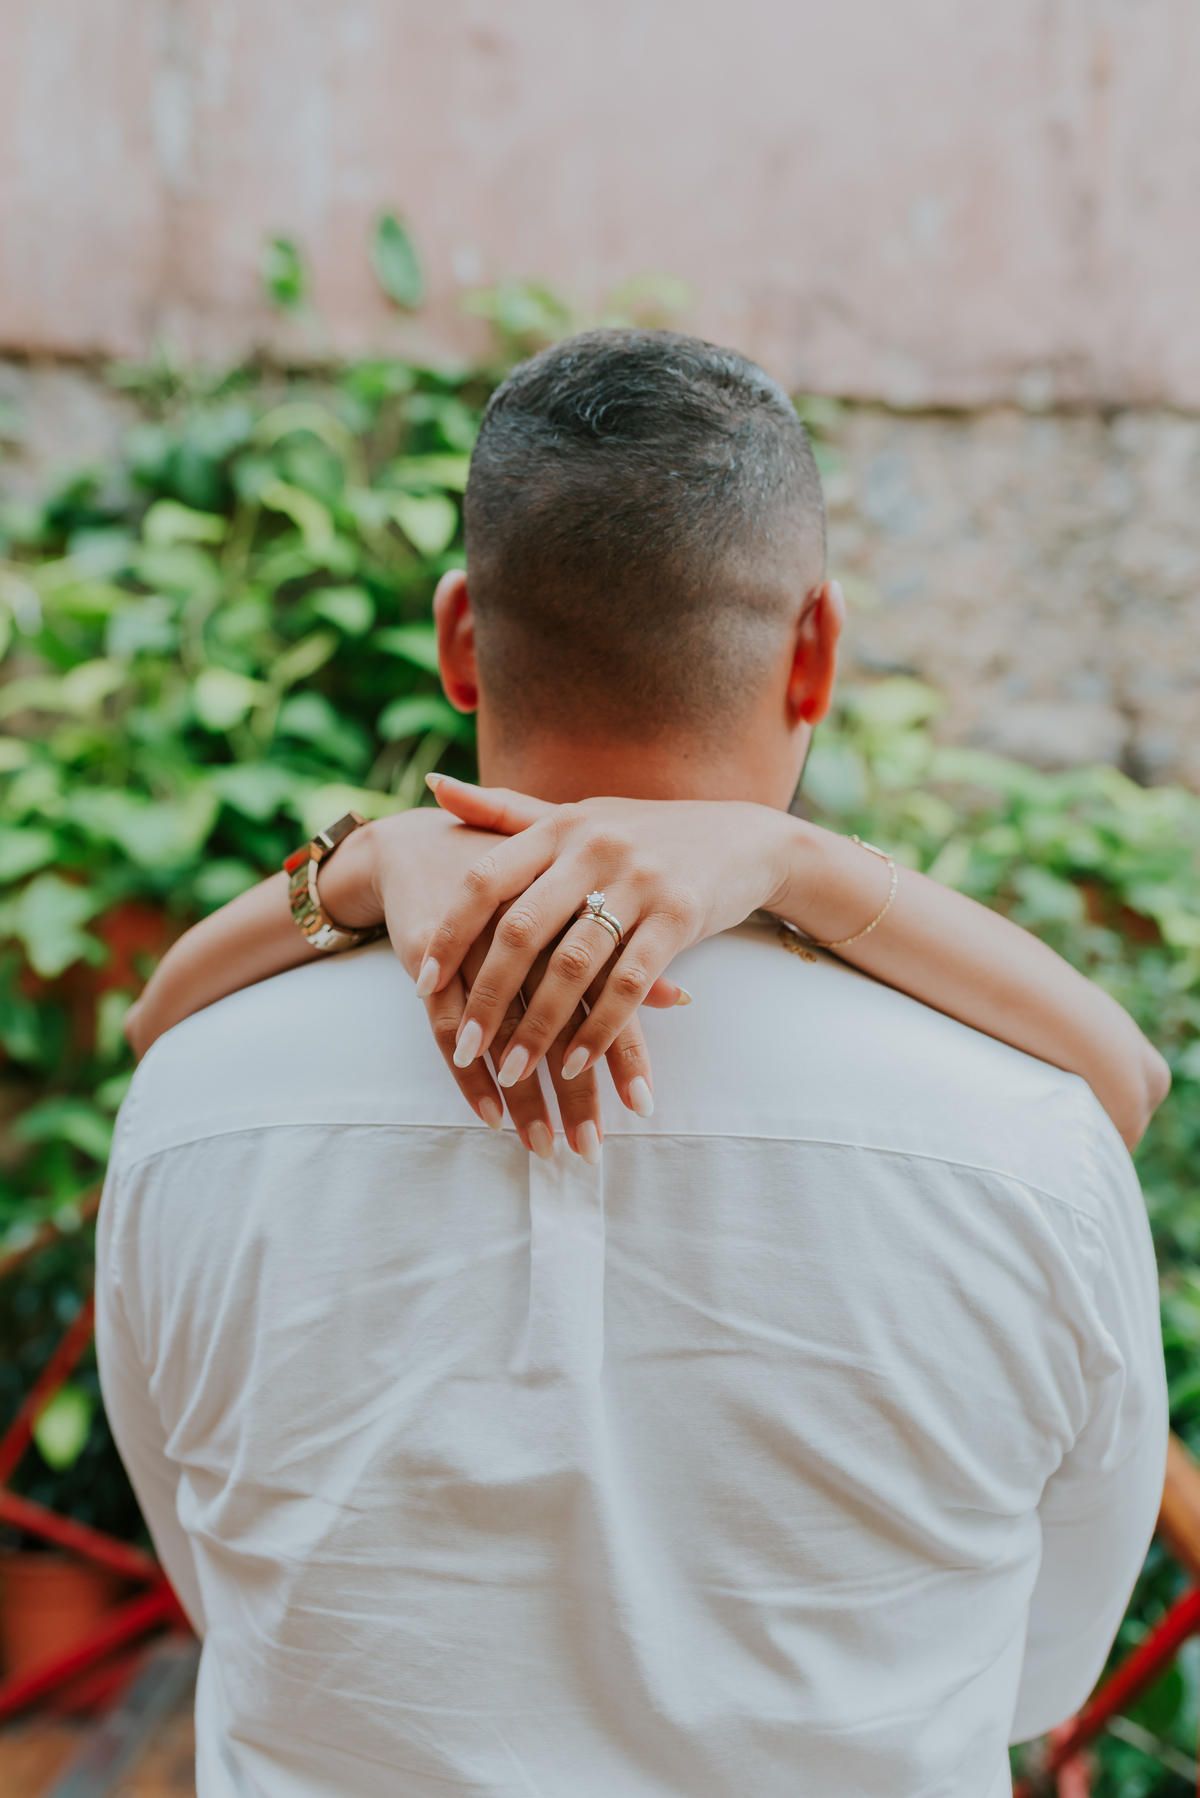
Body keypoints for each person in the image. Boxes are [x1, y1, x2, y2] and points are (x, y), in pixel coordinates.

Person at [98, 331, 1168, 1798]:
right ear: (818, 653)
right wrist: (798, 861)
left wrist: (350, 864)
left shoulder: (191, 1101)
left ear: (461, 637)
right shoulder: (1032, 1136)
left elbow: (216, 1578)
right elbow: (1043, 1665)